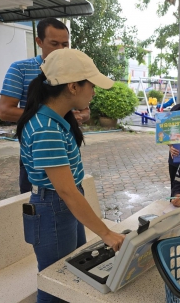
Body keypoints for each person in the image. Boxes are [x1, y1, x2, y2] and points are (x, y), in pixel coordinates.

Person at [16, 48, 125, 303]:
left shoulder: (55, 119)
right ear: (74, 87)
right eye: (91, 86)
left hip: (63, 207)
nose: (94, 92)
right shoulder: (46, 128)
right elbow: (65, 190)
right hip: (53, 208)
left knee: (71, 275)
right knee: (56, 284)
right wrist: (105, 233)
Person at [0, 18, 90, 194]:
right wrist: (51, 117)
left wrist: (81, 115)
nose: (61, 50)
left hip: (67, 146)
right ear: (39, 42)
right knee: (40, 201)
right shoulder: (20, 69)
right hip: (38, 149)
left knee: (72, 194)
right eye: (54, 44)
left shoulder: (73, 71)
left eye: (65, 44)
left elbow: (85, 108)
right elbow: (5, 111)